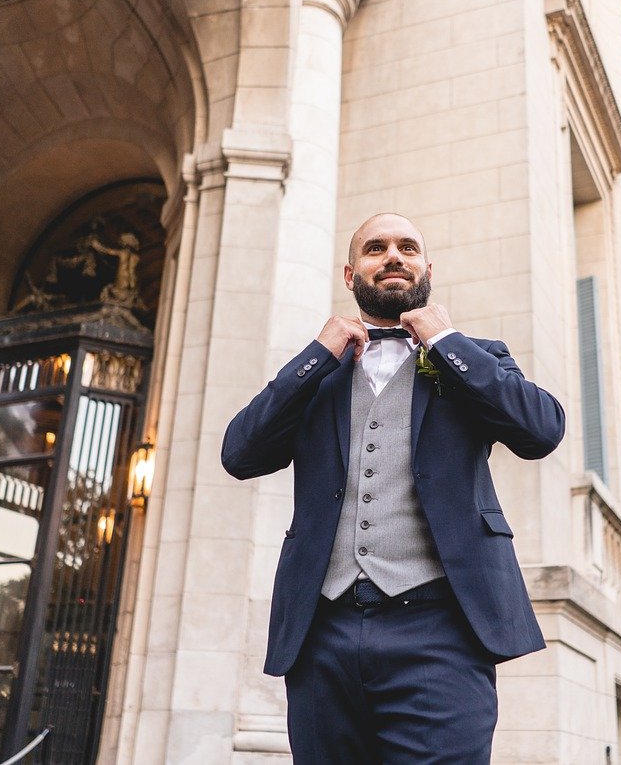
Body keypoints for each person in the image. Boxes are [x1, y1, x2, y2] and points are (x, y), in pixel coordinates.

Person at [222, 213, 565, 763]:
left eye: (408, 247)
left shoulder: (476, 358)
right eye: (375, 248)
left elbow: (541, 431)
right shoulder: (319, 371)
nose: (393, 256)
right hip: (322, 633)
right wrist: (317, 354)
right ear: (350, 272)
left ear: (428, 268)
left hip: (441, 632)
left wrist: (446, 340)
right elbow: (239, 454)